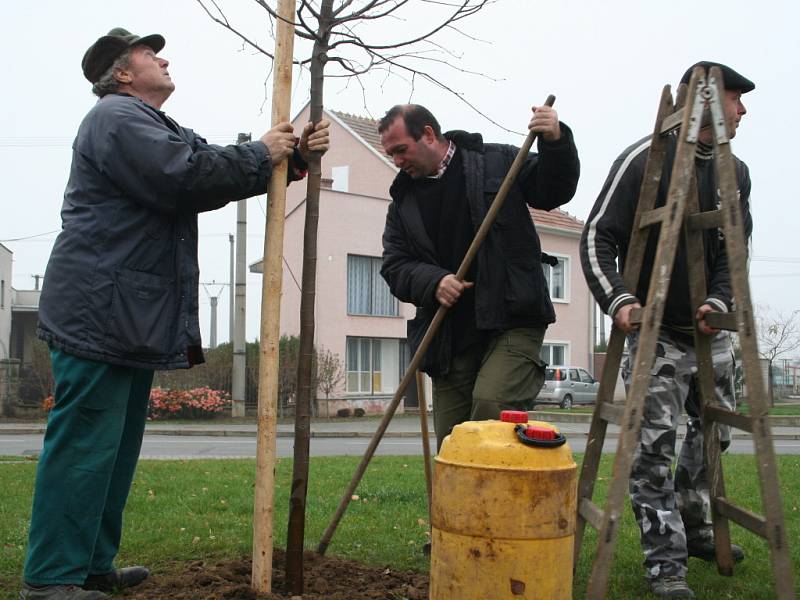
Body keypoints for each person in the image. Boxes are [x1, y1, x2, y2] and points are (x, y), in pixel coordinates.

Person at [20, 28, 330, 600]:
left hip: (121, 314)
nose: (162, 58)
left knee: (112, 450)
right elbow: (183, 176)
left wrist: (293, 157)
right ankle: (51, 578)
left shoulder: (154, 124)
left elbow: (210, 163)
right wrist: (262, 151)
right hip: (98, 310)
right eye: (148, 53)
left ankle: (89, 567)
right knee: (86, 445)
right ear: (122, 73)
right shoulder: (117, 117)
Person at [579, 61, 753, 599]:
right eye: (734, 99)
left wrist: (718, 299)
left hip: (710, 334)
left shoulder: (735, 171)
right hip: (656, 336)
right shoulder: (642, 161)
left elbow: (735, 249)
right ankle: (665, 564)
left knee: (713, 436)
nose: (742, 110)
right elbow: (595, 238)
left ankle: (697, 526)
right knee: (652, 452)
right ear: (703, 102)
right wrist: (620, 300)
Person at [379, 103, 580, 449]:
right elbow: (395, 265)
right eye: (391, 154)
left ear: (428, 134)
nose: (396, 161)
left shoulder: (497, 162)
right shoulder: (402, 204)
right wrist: (434, 281)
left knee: (491, 409)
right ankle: (456, 506)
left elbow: (553, 191)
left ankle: (499, 503)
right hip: (450, 335)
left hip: (512, 317)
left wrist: (555, 141)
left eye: (401, 150)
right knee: (452, 440)